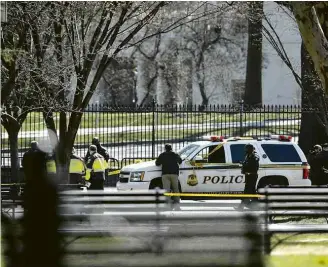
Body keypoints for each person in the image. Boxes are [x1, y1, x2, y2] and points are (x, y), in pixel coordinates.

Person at [155, 144, 182, 210]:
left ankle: (167, 204)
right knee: (176, 189)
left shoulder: (162, 155)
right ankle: (177, 204)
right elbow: (180, 161)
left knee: (166, 190)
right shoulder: (175, 154)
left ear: (165, 148)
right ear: (171, 148)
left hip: (165, 174)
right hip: (174, 174)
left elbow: (157, 163)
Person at [235, 143, 260, 211]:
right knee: (252, 191)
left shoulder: (254, 156)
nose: (245, 150)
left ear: (250, 149)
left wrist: (245, 164)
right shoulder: (248, 155)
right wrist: (243, 163)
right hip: (249, 176)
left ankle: (241, 207)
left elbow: (253, 164)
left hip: (252, 176)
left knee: (247, 191)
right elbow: (247, 163)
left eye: (246, 149)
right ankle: (257, 205)